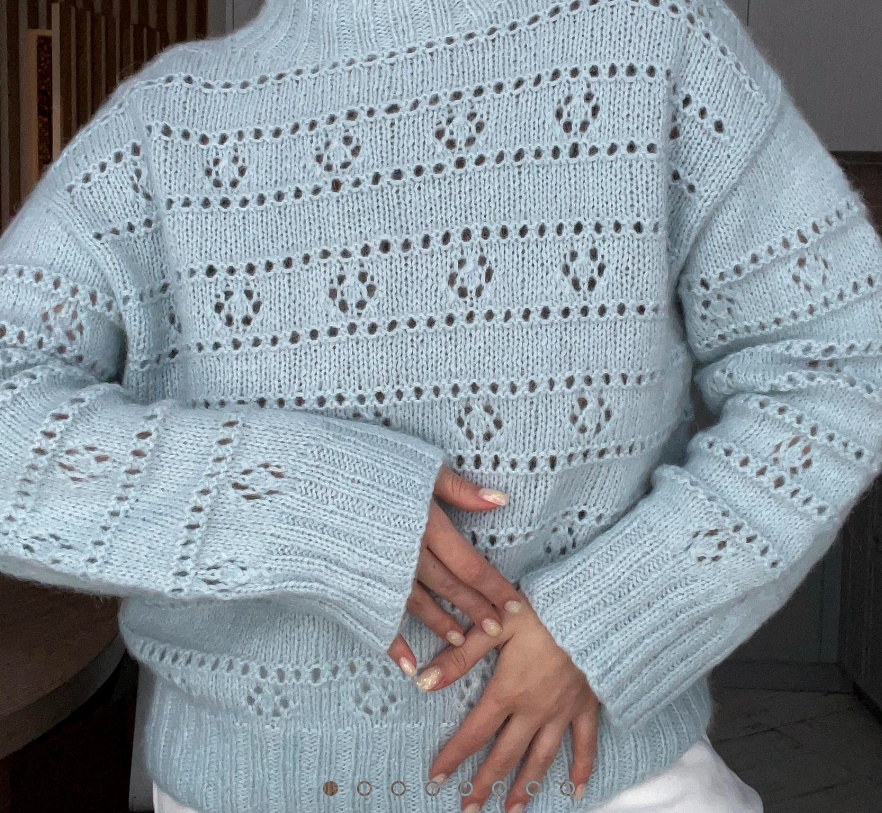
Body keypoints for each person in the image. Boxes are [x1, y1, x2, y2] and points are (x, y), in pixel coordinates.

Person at [1, 0, 881, 810]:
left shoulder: (653, 41)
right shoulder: (167, 120)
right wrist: (308, 500)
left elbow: (841, 362)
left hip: (606, 785)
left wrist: (611, 619)